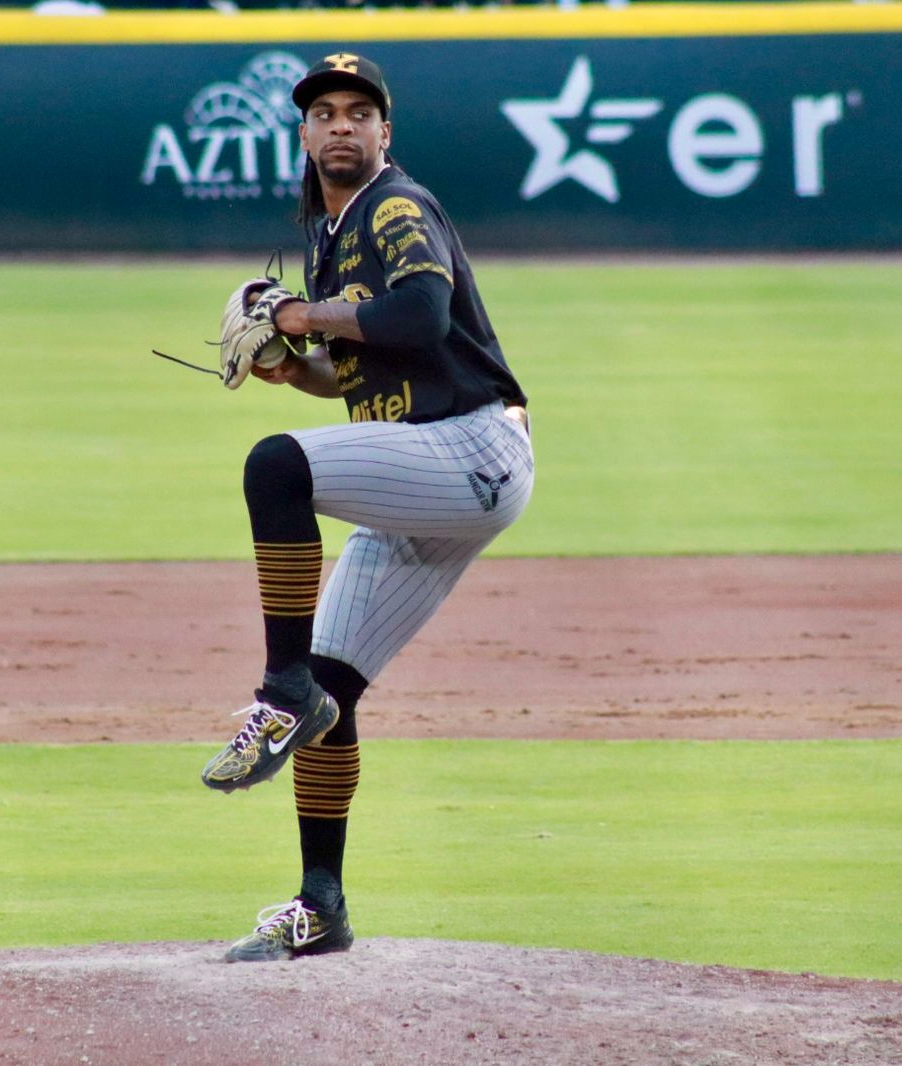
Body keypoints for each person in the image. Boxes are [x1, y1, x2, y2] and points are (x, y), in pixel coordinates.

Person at [198, 52, 534, 963]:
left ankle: (279, 692)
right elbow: (357, 372)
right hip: (423, 469)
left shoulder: (393, 206)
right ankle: (322, 904)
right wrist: (292, 366)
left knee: (276, 469)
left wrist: (303, 316)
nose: (341, 124)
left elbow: (422, 318)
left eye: (358, 111)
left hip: (471, 449)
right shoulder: (328, 233)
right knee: (334, 690)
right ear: (305, 135)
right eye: (324, 113)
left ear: (386, 131)